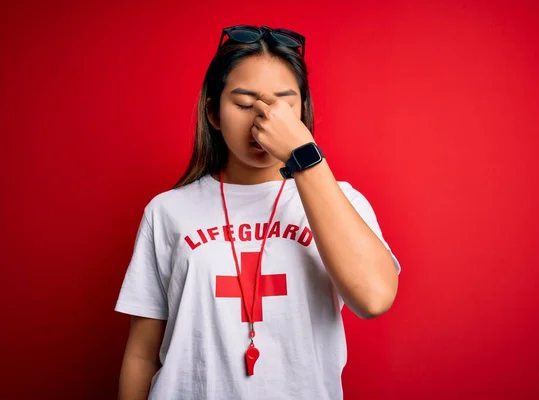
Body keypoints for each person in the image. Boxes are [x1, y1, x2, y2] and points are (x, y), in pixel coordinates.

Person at [115, 24, 401, 400]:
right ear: (214, 114)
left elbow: (375, 297)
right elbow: (141, 353)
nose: (264, 119)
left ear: (303, 111)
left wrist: (304, 156)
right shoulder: (167, 211)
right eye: (245, 104)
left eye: (284, 103)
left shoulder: (339, 202)